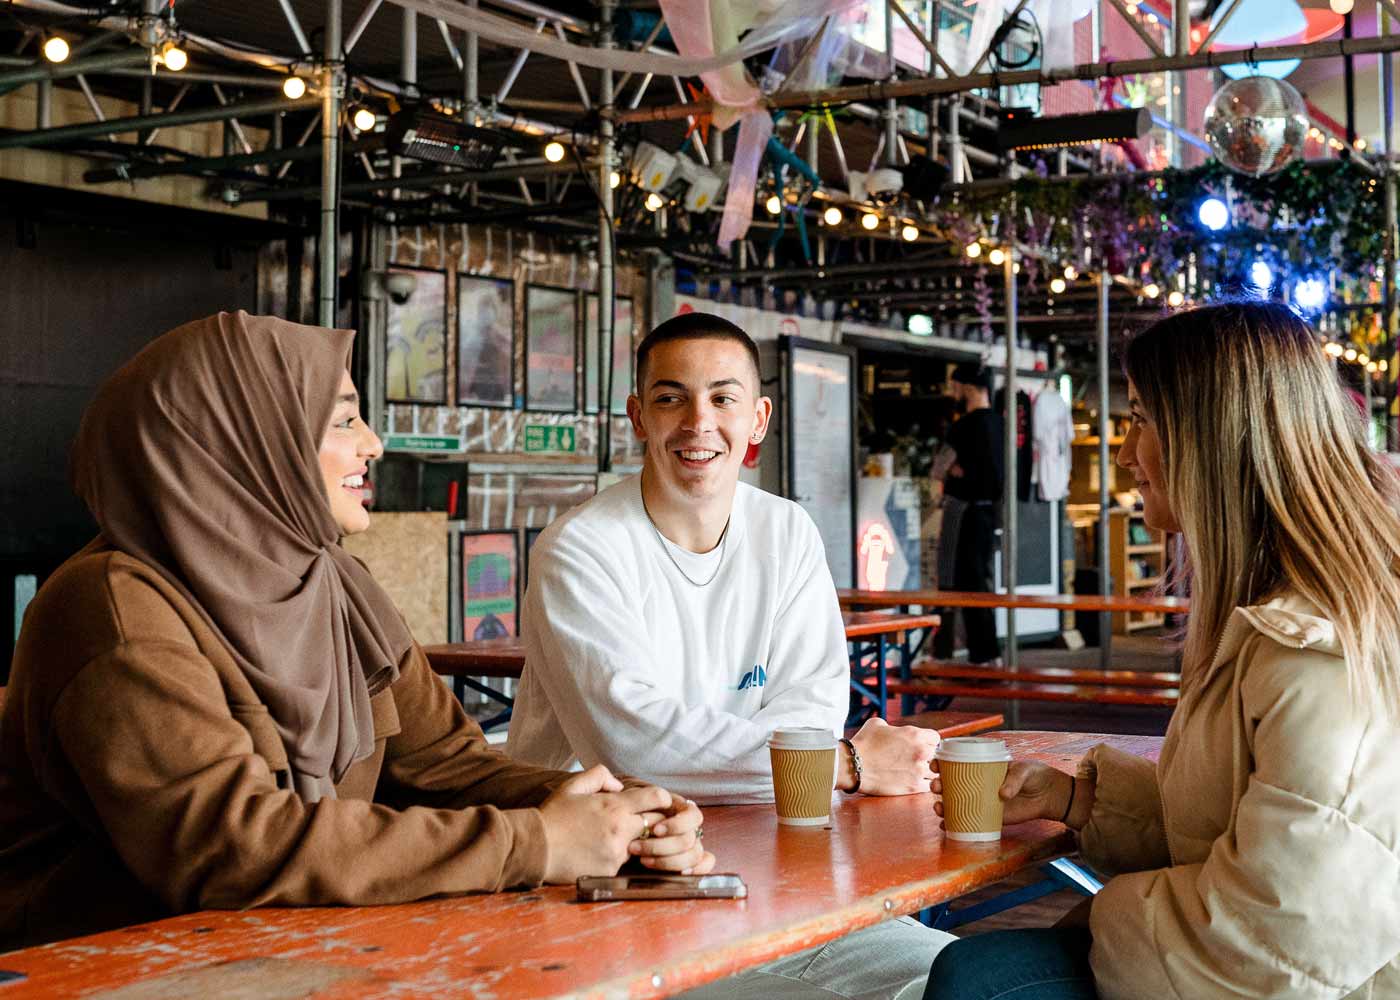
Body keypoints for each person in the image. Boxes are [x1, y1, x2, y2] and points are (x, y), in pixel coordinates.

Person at [0, 311, 707, 951]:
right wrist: (537, 843)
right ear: (246, 440)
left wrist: (621, 812)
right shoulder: (113, 608)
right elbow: (236, 845)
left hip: (286, 955)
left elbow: (448, 767)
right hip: (102, 968)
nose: (372, 444)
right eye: (343, 421)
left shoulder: (336, 584)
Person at [925, 302, 1400, 999]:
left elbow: (1281, 946)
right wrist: (1079, 799)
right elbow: (1247, 824)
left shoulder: (1315, 649)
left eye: (1142, 418)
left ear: (1215, 436)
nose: (1122, 452)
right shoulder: (1274, 614)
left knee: (976, 979)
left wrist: (1098, 916)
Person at [508, 311, 952, 999]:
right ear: (637, 416)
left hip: (772, 861)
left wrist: (806, 762)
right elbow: (637, 745)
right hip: (612, 885)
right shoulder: (581, 547)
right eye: (669, 398)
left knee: (956, 975)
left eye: (722, 397)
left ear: (759, 418)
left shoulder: (786, 530)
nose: (697, 422)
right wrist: (845, 764)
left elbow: (812, 705)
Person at [932, 361, 1004, 665]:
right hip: (991, 515)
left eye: (955, 386)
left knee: (952, 583)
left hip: (962, 515)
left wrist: (952, 476)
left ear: (967, 387)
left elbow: (938, 469)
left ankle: (947, 652)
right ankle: (986, 652)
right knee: (981, 584)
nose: (953, 392)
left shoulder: (963, 427)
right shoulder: (1002, 424)